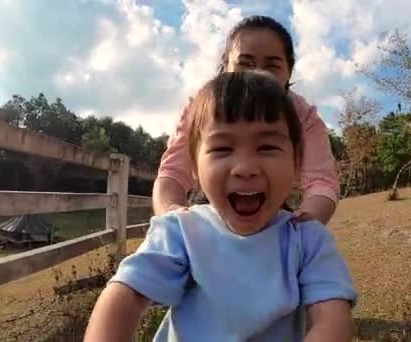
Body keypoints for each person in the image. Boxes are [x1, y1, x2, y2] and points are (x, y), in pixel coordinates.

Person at [84, 71, 357, 342]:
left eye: (267, 147)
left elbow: (332, 320)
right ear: (194, 166)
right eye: (222, 149)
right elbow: (125, 296)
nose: (245, 168)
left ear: (296, 162)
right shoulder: (182, 232)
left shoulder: (307, 240)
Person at [153, 15, 340, 225]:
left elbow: (321, 181)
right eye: (246, 63)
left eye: (272, 66)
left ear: (288, 72)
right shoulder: (201, 107)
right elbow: (172, 173)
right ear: (226, 66)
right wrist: (171, 219)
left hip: (272, 209)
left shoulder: (303, 114)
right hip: (206, 208)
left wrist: (305, 230)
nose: (258, 74)